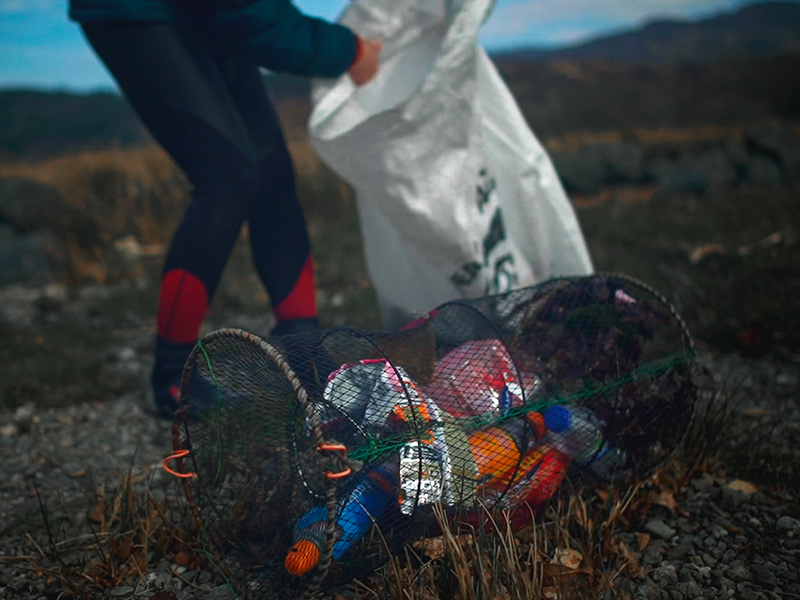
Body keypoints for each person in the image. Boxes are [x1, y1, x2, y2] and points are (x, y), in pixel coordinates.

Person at [68, 0, 382, 418]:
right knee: (227, 180)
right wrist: (349, 51)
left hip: (205, 12)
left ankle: (303, 348)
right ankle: (171, 378)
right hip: (135, 11)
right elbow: (255, 14)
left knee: (273, 172)